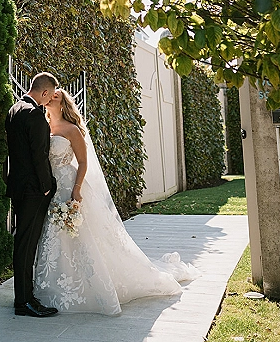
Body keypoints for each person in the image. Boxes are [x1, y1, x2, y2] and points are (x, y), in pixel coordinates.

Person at [34, 89, 200, 314]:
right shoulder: (43, 127)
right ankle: (53, 285)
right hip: (50, 187)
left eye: (56, 96)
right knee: (55, 235)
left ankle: (89, 286)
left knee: (80, 235)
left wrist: (76, 190)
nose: (51, 98)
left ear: (62, 103)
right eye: (50, 95)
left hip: (69, 185)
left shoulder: (72, 130)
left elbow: (82, 163)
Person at [5, 72, 60, 318]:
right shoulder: (35, 115)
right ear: (45, 92)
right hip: (33, 190)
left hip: (17, 187)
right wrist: (47, 185)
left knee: (22, 243)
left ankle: (24, 297)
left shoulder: (14, 110)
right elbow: (39, 155)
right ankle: (24, 302)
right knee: (27, 245)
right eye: (49, 99)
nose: (48, 104)